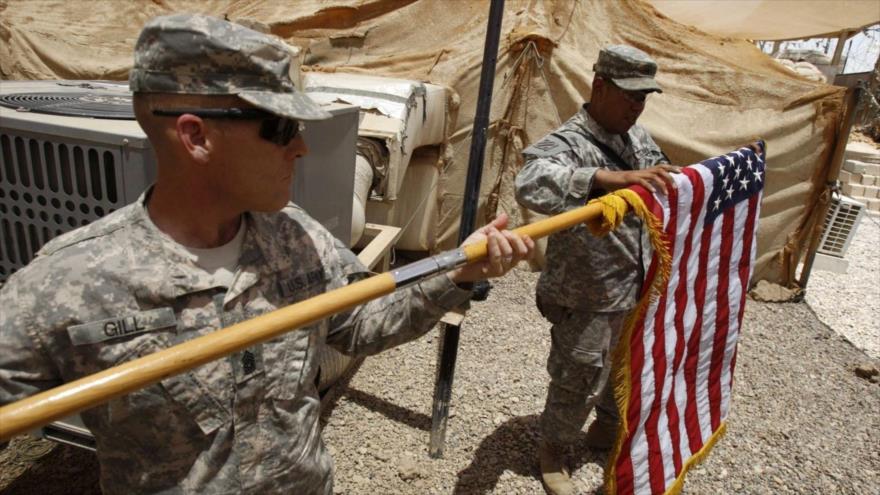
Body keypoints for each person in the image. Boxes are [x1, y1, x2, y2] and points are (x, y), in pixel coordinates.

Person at [0, 14, 534, 494]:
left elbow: (360, 324)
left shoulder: (293, 233)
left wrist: (459, 274)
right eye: (279, 128)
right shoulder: (71, 283)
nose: (301, 146)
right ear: (196, 137)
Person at [514, 45, 679, 495]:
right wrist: (601, 179)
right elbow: (529, 181)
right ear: (600, 87)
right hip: (586, 292)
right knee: (579, 374)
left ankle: (606, 430)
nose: (636, 106)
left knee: (625, 366)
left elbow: (662, 176)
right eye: (629, 95)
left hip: (634, 284)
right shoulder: (571, 142)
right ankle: (553, 453)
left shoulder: (637, 139)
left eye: (644, 97)